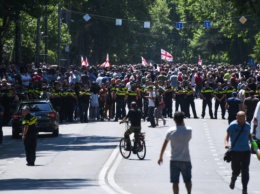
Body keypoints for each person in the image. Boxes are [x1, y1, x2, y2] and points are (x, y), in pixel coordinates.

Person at [158, 112, 192, 194]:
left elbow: (164, 144)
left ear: (174, 120)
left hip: (174, 159)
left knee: (175, 182)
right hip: (185, 159)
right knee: (187, 180)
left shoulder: (170, 131)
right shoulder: (188, 130)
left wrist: (160, 157)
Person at [224, 111, 252, 194]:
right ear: (237, 118)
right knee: (236, 170)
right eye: (240, 118)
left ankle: (244, 188)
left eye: (243, 118)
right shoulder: (233, 125)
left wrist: (253, 144)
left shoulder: (247, 125)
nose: (242, 120)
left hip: (246, 151)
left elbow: (249, 135)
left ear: (245, 118)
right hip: (235, 151)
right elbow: (227, 136)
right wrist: (226, 144)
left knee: (245, 170)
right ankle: (233, 178)